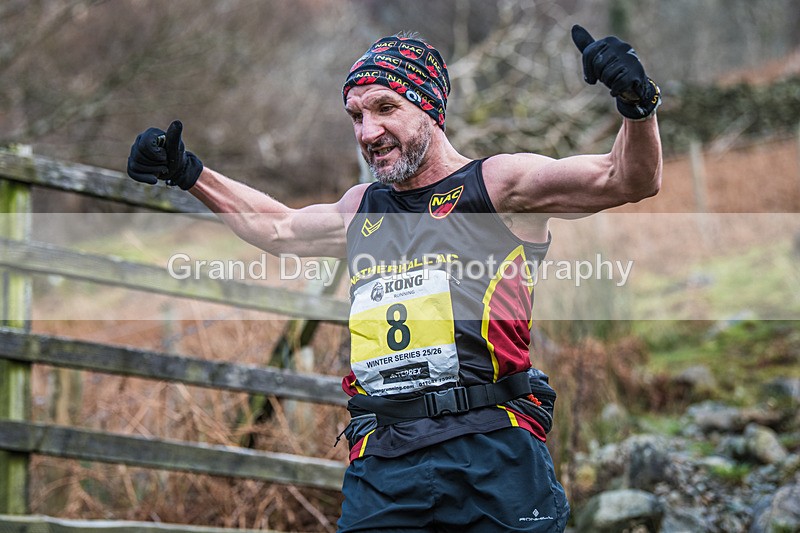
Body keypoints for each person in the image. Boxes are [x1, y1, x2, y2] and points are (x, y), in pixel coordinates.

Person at [127, 24, 661, 532]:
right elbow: (281, 231)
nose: (368, 131)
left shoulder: (497, 185)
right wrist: (189, 172)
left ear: (430, 109)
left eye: (386, 108)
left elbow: (627, 178)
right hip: (385, 460)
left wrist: (636, 106)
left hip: (492, 448)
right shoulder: (363, 207)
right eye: (356, 115)